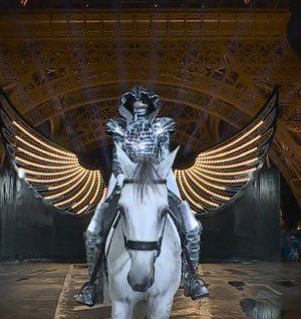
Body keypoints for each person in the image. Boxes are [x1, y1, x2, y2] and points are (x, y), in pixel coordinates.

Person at [76, 87, 210, 307]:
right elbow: (118, 161)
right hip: (125, 179)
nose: (139, 107)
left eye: (144, 104)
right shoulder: (118, 127)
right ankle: (94, 283)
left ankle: (191, 276)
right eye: (135, 104)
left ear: (151, 108)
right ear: (127, 108)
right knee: (93, 231)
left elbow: (163, 157)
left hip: (159, 179)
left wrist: (156, 182)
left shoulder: (161, 127)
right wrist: (124, 180)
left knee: (192, 226)